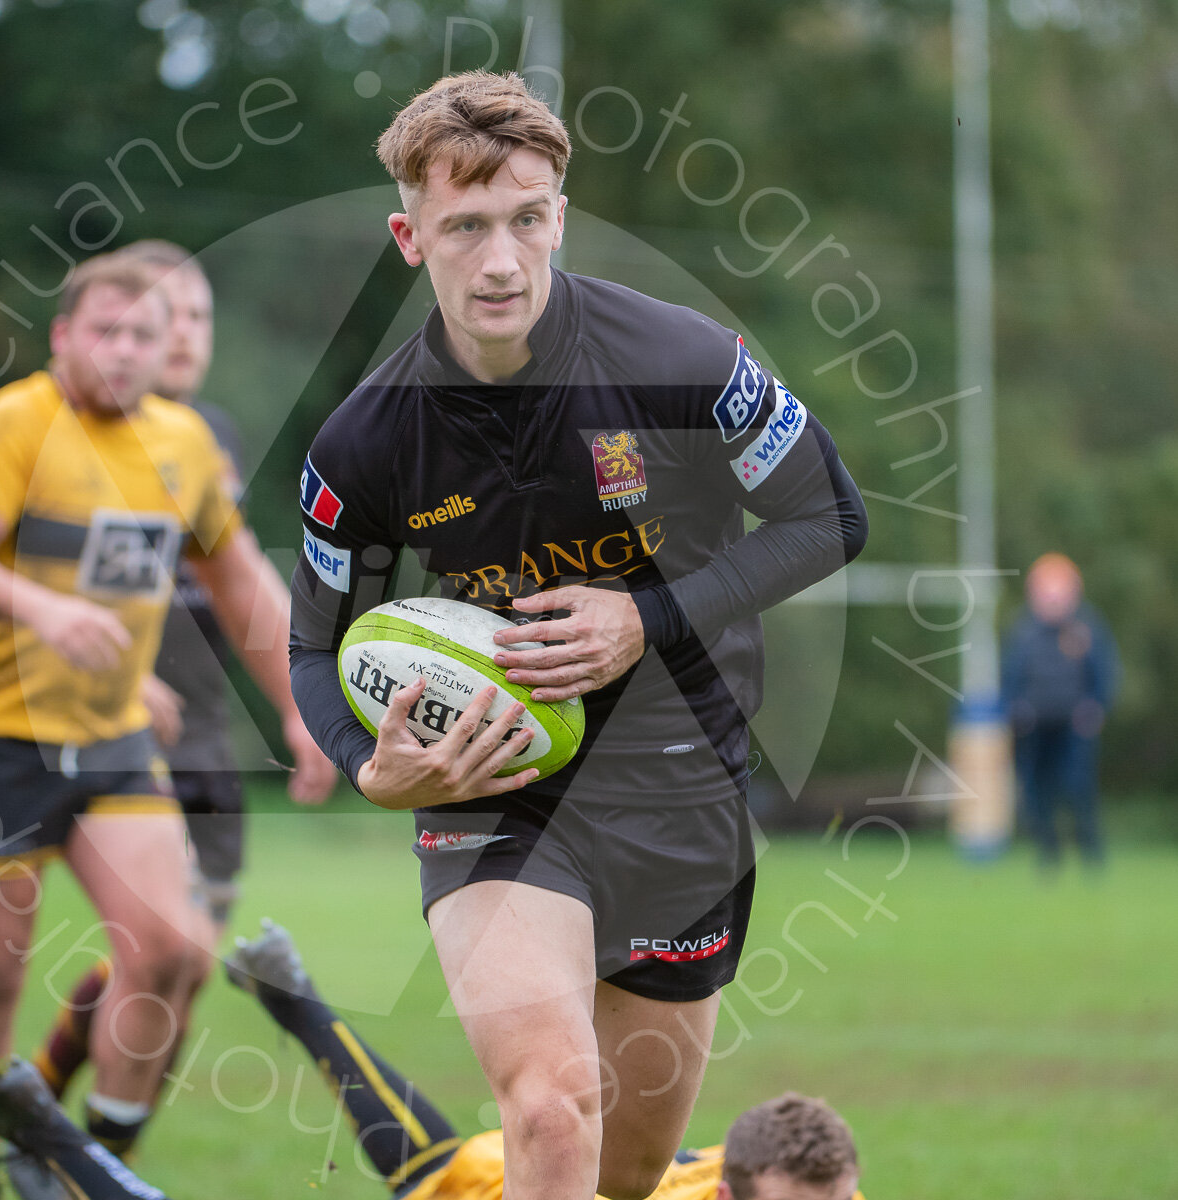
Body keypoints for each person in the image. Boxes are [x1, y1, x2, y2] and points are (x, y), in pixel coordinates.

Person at [286, 72, 868, 1200]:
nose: (500, 260)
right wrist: (372, 767)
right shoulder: (365, 442)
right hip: (497, 784)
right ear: (410, 236)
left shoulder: (685, 362)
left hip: (681, 786)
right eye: (465, 227)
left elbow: (830, 517)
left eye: (527, 218)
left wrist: (645, 616)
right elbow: (319, 648)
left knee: (630, 1172)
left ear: (560, 211)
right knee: (554, 1111)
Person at [0, 252, 303, 1199]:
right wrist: (43, 611)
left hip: (113, 738)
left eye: (145, 333)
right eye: (106, 330)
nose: (126, 350)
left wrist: (301, 708)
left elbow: (243, 584)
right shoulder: (16, 422)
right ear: (64, 338)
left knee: (170, 951)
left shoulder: (184, 444)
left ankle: (92, 1173)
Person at [29, 241, 336, 1128]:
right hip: (117, 734)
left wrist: (294, 705)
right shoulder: (72, 435)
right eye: (171, 318)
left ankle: (72, 1140)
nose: (186, 337)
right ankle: (61, 1135)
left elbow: (241, 589)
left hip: (207, 734)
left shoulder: (209, 438)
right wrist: (117, 680)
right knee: (171, 951)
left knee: (177, 969)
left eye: (201, 318)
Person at [0, 922, 863, 1200]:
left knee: (428, 1163)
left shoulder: (789, 1180)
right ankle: (44, 1128)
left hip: (499, 1166)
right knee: (434, 1170)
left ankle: (294, 999)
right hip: (504, 1179)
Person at [1001, 553, 1120, 870]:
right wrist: (1015, 710)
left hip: (1074, 726)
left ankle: (1090, 851)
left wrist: (1095, 708)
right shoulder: (1024, 631)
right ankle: (1048, 853)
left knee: (1077, 787)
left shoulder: (1087, 628)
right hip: (1035, 726)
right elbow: (1010, 678)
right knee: (1038, 792)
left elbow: (1104, 674)